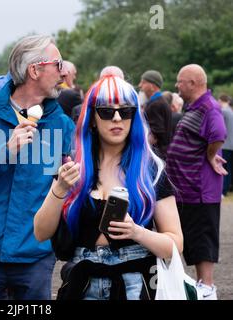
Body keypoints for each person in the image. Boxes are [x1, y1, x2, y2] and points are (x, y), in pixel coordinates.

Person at [34, 75, 183, 300]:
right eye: (106, 111)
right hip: (82, 283)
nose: (116, 118)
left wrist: (137, 232)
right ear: (92, 118)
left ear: (134, 117)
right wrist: (60, 189)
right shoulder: (73, 166)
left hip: (135, 283)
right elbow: (40, 232)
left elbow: (175, 244)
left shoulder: (150, 170)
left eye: (125, 111)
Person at [0, 35, 75, 300]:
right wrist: (3, 152)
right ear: (34, 70)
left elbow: (70, 192)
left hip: (35, 261)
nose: (64, 72)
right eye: (58, 63)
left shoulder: (63, 126)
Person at [167, 64, 227, 300]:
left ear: (192, 83)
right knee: (191, 239)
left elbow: (219, 134)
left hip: (200, 189)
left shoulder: (209, 108)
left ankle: (207, 288)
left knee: (202, 240)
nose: (176, 86)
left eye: (180, 81)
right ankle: (199, 286)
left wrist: (210, 155)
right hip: (186, 188)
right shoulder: (195, 108)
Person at [138, 70, 172, 159]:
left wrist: (139, 147)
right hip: (162, 153)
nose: (140, 85)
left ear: (152, 86)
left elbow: (156, 134)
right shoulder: (161, 102)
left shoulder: (155, 105)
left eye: (143, 82)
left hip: (156, 155)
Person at [219, 94, 233, 196]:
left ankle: (222, 191)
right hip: (231, 145)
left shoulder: (223, 112)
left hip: (225, 145)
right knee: (229, 169)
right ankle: (226, 190)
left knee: (223, 168)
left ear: (220, 100)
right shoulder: (231, 112)